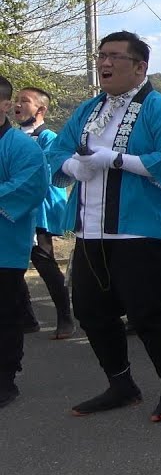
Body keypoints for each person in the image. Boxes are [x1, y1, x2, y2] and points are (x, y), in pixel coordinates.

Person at [46, 31, 161, 421]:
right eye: (101, 56)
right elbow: (57, 151)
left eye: (114, 57)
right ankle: (121, 384)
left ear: (140, 67)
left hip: (139, 230)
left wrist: (115, 159)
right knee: (91, 311)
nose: (105, 64)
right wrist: (72, 165)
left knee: (148, 312)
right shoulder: (89, 109)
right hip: (90, 229)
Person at [1, 75, 51, 408]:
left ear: (5, 105)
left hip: (5, 245)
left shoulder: (21, 146)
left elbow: (31, 184)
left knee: (5, 314)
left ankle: (5, 379)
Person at [12, 85, 73, 339]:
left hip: (39, 211)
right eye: (16, 100)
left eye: (25, 101)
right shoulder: (13, 136)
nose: (18, 104)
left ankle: (65, 318)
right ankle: (28, 318)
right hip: (15, 211)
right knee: (14, 265)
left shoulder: (48, 137)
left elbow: (45, 175)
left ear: (41, 109)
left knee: (45, 263)